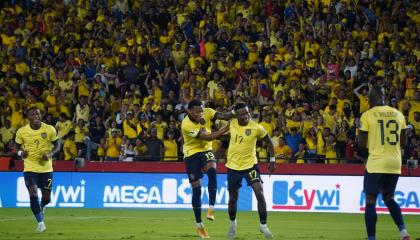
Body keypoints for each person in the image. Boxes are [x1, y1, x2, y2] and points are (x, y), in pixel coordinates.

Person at [358, 85, 411, 240]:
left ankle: (371, 238)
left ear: (370, 98)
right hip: (395, 163)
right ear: (384, 97)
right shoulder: (398, 114)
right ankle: (403, 233)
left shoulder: (367, 115)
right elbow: (403, 142)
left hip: (376, 163)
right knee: (389, 198)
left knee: (370, 200)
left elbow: (361, 143)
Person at [181, 99, 233, 238]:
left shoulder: (208, 112)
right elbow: (208, 137)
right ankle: (199, 225)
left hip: (206, 151)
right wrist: (226, 129)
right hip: (191, 154)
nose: (200, 114)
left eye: (201, 111)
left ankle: (211, 207)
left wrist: (234, 113)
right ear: (189, 111)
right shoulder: (186, 124)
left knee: (212, 171)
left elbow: (224, 116)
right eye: (197, 112)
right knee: (196, 189)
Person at [226, 103, 275, 239]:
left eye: (247, 113)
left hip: (250, 166)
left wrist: (272, 160)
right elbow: (222, 120)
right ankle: (232, 223)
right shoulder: (232, 123)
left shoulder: (256, 127)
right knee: (233, 199)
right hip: (233, 167)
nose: (245, 116)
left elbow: (269, 142)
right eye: (241, 114)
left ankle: (263, 225)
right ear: (236, 115)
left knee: (259, 193)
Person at [14, 107, 61, 232]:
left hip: (46, 169)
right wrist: (20, 153)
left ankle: (42, 205)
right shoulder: (22, 132)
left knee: (47, 198)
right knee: (33, 193)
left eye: (38, 114)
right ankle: (40, 223)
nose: (36, 116)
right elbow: (15, 147)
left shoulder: (49, 129)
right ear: (28, 117)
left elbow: (57, 145)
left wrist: (50, 154)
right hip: (30, 169)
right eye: (33, 114)